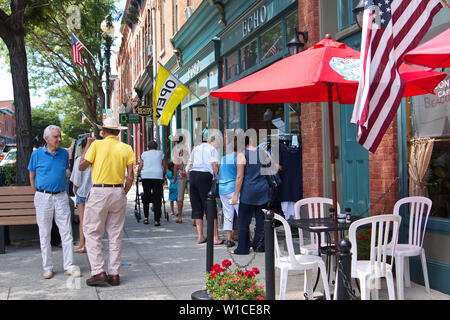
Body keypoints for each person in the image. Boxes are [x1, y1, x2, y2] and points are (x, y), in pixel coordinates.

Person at [79, 117, 135, 287]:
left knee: (92, 232)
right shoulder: (126, 147)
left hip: (99, 190)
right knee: (115, 234)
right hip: (117, 190)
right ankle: (114, 273)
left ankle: (98, 271)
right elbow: (131, 176)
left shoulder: (96, 145)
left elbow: (82, 166)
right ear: (118, 132)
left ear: (103, 131)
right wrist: (123, 192)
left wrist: (88, 145)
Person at [28, 125, 81, 279]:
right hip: (43, 196)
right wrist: (37, 193)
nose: (59, 139)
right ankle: (48, 267)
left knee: (66, 232)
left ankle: (69, 265)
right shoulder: (37, 154)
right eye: (56, 137)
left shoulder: (64, 154)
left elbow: (64, 172)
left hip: (61, 196)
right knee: (44, 233)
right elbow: (32, 176)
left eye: (59, 136)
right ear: (47, 139)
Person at [231, 136, 280, 255]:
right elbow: (275, 166)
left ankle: (243, 248)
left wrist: (235, 195)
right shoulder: (262, 151)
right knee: (261, 220)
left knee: (243, 221)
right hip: (263, 190)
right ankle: (260, 246)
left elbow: (239, 177)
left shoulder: (242, 156)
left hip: (248, 192)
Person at [188, 134, 224, 245]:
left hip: (193, 175)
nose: (218, 146)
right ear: (213, 141)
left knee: (196, 205)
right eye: (218, 144)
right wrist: (217, 177)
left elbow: (190, 163)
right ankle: (215, 237)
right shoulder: (212, 149)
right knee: (210, 205)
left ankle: (200, 236)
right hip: (205, 175)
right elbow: (215, 165)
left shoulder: (196, 148)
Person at [70, 137, 93, 253]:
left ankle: (82, 245)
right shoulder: (97, 159)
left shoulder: (79, 160)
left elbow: (76, 180)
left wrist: (75, 191)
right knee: (94, 222)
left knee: (83, 221)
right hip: (95, 193)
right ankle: (92, 245)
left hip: (82, 193)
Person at [137, 140, 166, 226]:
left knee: (146, 196)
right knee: (157, 198)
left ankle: (146, 218)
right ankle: (157, 220)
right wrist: (163, 175)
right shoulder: (160, 153)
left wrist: (138, 174)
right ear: (157, 147)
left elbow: (141, 166)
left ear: (148, 148)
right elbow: (164, 165)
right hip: (158, 176)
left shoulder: (144, 154)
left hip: (146, 176)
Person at [218, 136, 240, 248]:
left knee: (227, 214)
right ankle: (248, 238)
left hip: (222, 189)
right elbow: (240, 176)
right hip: (233, 189)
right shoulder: (238, 158)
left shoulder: (224, 158)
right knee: (241, 214)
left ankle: (229, 239)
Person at [172, 135, 189, 225]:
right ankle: (195, 218)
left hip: (180, 174)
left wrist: (174, 178)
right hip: (189, 174)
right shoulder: (188, 150)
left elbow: (175, 166)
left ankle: (180, 217)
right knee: (192, 196)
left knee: (180, 197)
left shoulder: (176, 151)